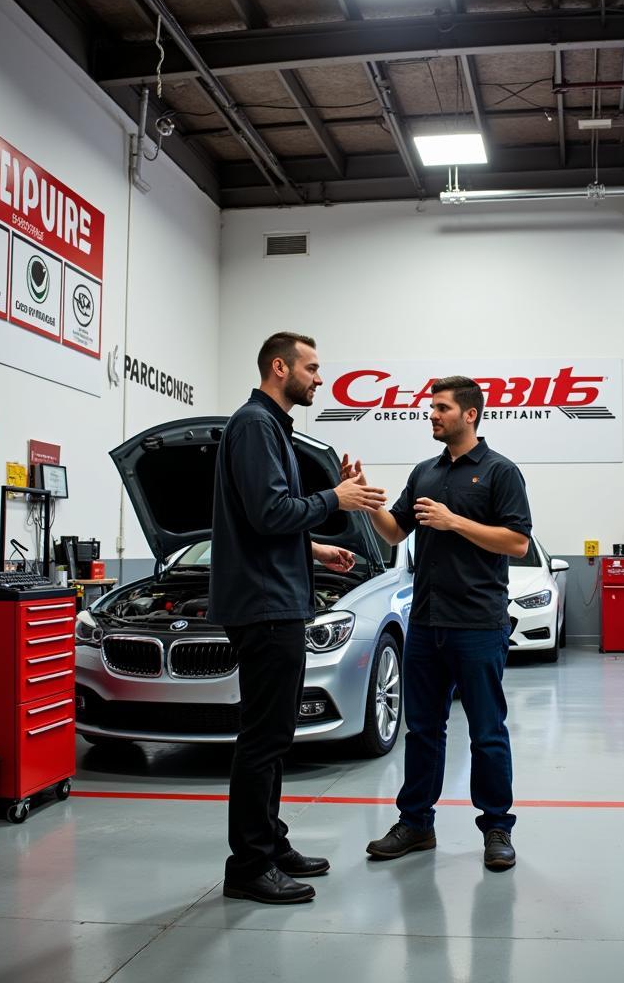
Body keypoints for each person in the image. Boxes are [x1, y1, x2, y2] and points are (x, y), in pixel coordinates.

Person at [209, 332, 387, 905]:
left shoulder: (271, 429)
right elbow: (267, 514)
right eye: (311, 368)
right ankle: (250, 865)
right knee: (263, 738)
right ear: (279, 367)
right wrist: (338, 499)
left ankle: (271, 842)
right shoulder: (255, 426)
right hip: (264, 605)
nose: (318, 377)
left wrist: (315, 549)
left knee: (276, 733)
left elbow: (265, 520)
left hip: (276, 596)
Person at [345, 376, 532, 871]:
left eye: (442, 408)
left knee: (487, 730)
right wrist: (369, 501)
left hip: (478, 623)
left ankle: (496, 827)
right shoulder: (424, 471)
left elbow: (516, 543)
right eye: (431, 408)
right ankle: (416, 824)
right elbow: (394, 531)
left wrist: (455, 523)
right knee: (423, 730)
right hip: (425, 622)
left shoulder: (500, 472)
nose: (432, 415)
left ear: (470, 414)